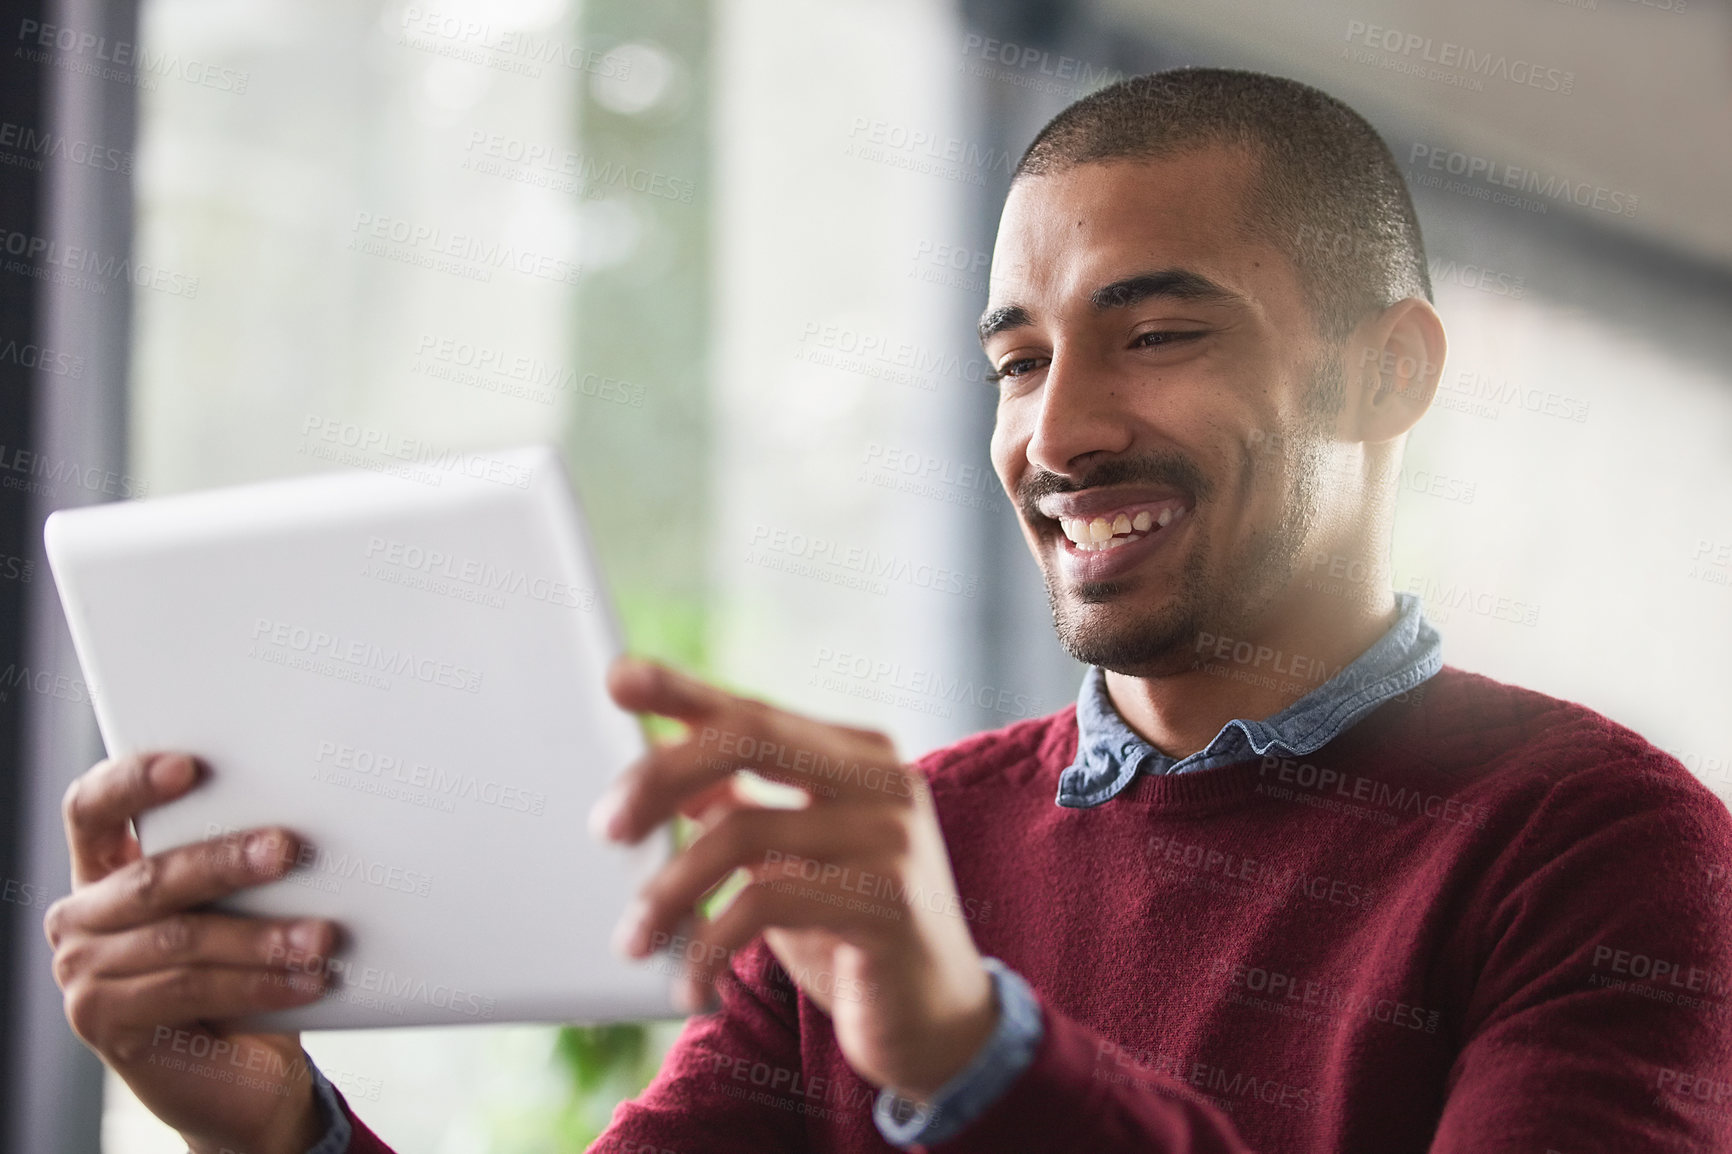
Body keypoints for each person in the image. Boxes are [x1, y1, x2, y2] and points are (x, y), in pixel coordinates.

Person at [44, 68, 1732, 1154]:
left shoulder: (1606, 849)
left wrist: (968, 1049)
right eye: (1016, 360)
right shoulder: (898, 859)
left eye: (1156, 334)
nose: (1057, 435)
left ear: (1384, 371)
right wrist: (276, 1132)